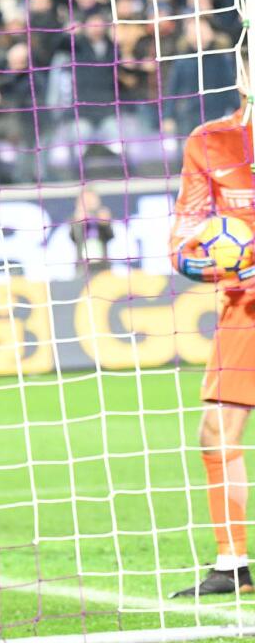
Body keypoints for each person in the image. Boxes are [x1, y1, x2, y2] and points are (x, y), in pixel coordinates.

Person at [168, 90, 255, 598]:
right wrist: (190, 257)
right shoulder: (210, 142)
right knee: (216, 429)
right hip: (245, 302)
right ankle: (232, 565)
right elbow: (184, 226)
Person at [68, 186, 114, 278]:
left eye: (91, 199)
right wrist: (78, 221)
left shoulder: (102, 216)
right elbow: (73, 237)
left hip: (102, 265)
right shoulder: (76, 218)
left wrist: (104, 223)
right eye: (85, 200)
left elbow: (110, 235)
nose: (88, 203)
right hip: (83, 267)